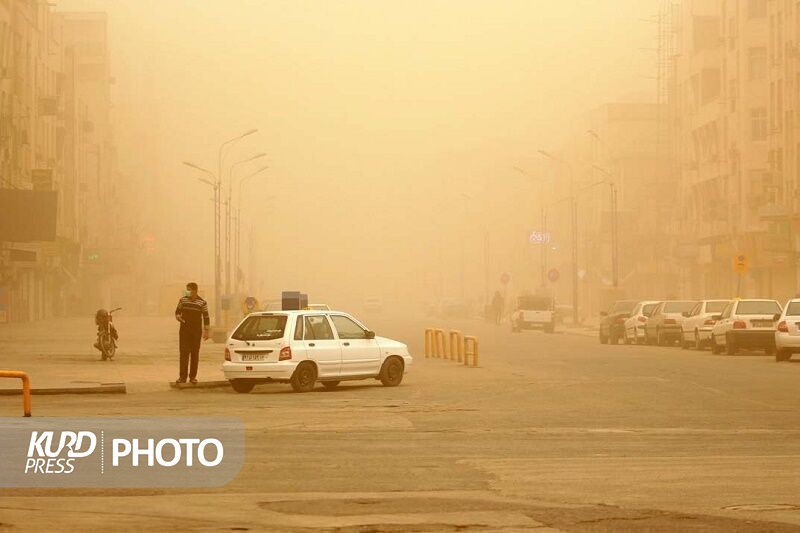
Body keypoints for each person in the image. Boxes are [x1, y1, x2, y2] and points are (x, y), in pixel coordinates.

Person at [174, 282, 210, 384]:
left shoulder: (202, 302)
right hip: (184, 331)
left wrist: (206, 331)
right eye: (186, 289)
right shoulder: (183, 300)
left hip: (196, 332)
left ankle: (193, 377)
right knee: (184, 354)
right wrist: (178, 317)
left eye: (189, 290)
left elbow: (206, 317)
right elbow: (177, 312)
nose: (187, 291)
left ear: (194, 291)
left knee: (195, 354)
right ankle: (182, 377)